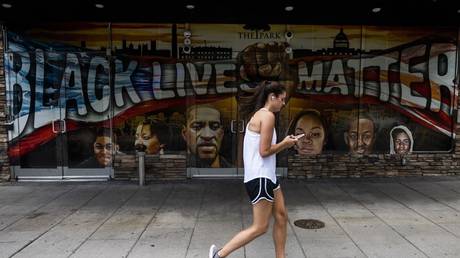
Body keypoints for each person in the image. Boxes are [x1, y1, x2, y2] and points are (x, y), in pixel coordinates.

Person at [209, 81, 298, 258]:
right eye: (282, 99)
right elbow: (264, 151)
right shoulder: (267, 116)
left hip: (268, 176)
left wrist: (282, 143)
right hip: (261, 178)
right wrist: (285, 144)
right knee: (260, 227)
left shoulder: (261, 115)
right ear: (272, 97)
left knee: (281, 216)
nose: (283, 103)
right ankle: (219, 255)